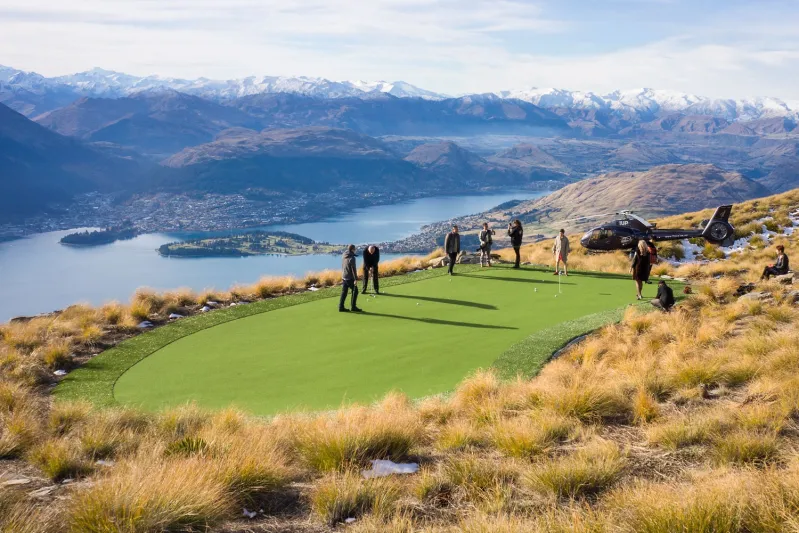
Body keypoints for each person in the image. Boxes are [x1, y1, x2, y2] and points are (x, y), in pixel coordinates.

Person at [339, 244, 362, 313]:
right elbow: (353, 269)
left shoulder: (344, 255)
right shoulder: (352, 258)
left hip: (344, 276)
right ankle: (353, 307)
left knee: (344, 292)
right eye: (355, 249)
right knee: (355, 291)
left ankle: (341, 306)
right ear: (352, 249)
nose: (355, 250)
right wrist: (355, 279)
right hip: (349, 278)